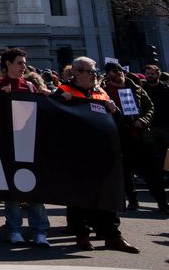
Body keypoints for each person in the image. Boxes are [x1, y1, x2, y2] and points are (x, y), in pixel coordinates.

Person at [55, 56, 139, 253]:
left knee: (108, 194)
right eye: (90, 71)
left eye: (95, 71)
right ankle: (82, 235)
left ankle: (112, 236)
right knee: (80, 196)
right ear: (76, 73)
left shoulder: (100, 92)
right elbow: (52, 119)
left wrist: (114, 109)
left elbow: (118, 122)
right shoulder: (64, 91)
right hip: (78, 155)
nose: (94, 75)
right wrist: (61, 102)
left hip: (103, 153)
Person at [0, 48, 50, 245]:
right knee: (12, 190)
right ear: (8, 64)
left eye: (24, 63)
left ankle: (40, 229)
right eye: (20, 63)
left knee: (35, 189)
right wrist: (1, 99)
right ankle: (14, 228)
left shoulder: (32, 88)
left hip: (30, 145)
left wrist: (48, 98)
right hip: (9, 146)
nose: (24, 67)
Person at [101, 61, 165, 213]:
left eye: (118, 71)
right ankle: (133, 200)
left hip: (141, 136)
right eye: (112, 73)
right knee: (125, 172)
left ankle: (162, 202)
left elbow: (149, 107)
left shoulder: (136, 88)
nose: (117, 74)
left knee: (152, 171)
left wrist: (143, 120)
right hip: (121, 137)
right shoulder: (104, 92)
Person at [144, 63, 169, 214]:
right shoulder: (142, 91)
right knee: (155, 167)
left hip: (167, 130)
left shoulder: (166, 90)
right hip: (151, 131)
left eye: (152, 73)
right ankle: (162, 202)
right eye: (147, 73)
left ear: (158, 74)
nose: (150, 76)